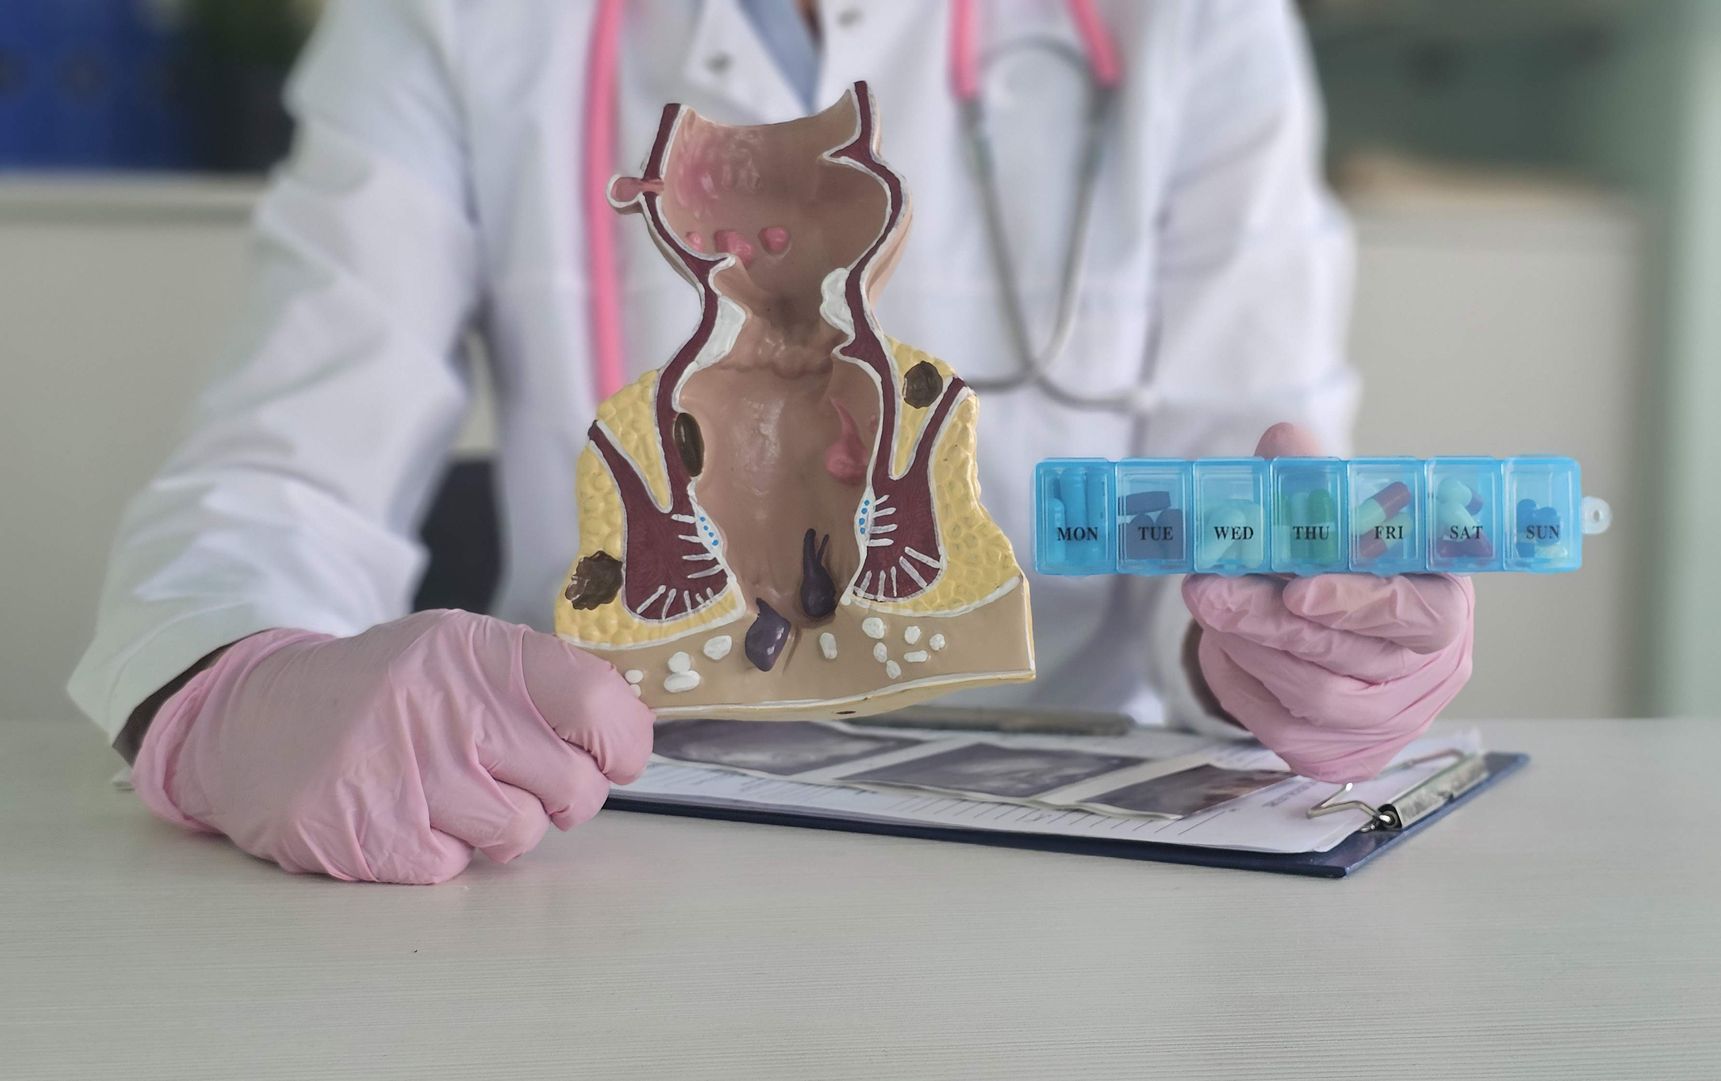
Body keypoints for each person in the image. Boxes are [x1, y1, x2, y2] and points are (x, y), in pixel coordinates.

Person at [71, 0, 1473, 884]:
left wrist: (1283, 632)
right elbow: (277, 470)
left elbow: (1247, 484)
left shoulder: (1191, 26)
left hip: (1091, 865)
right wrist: (234, 682)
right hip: (574, 840)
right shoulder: (449, 24)